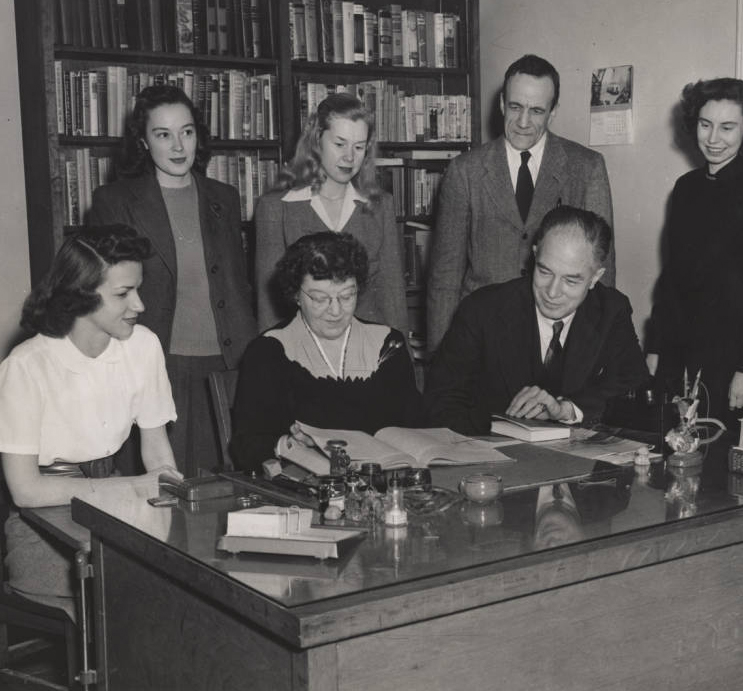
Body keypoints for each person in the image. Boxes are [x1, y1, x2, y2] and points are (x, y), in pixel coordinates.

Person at [0, 225, 179, 613]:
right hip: (40, 526)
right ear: (79, 296)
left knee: (183, 584)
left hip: (115, 506)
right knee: (123, 601)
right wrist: (132, 487)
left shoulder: (143, 347)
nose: (139, 305)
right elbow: (26, 491)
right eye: (123, 294)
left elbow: (157, 451)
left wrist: (166, 486)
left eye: (138, 289)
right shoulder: (26, 366)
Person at [88, 84, 256, 476]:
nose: (179, 146)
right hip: (159, 364)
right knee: (168, 495)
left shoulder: (225, 198)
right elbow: (103, 296)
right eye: (163, 134)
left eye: (187, 131)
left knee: (232, 489)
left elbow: (238, 285)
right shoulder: (115, 201)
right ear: (144, 142)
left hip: (228, 364)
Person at [426, 54, 615, 352]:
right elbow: (445, 275)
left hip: (557, 338)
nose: (523, 122)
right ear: (501, 103)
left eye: (537, 111)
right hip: (482, 337)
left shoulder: (586, 167)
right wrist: (442, 356)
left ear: (553, 112)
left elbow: (602, 270)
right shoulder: (465, 171)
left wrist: (593, 351)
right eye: (515, 107)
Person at [425, 206, 647, 436]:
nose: (552, 292)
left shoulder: (611, 310)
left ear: (595, 278)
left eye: (571, 281)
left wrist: (566, 409)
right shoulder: (482, 309)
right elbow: (440, 401)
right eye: (544, 271)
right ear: (534, 254)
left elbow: (634, 385)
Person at [647, 78, 743, 433]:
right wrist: (656, 346)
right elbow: (671, 279)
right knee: (669, 454)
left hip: (733, 358)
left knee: (722, 463)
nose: (713, 138)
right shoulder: (686, 188)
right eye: (705, 124)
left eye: (727, 127)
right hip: (677, 354)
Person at [231, 232, 422, 472]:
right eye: (320, 298)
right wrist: (287, 445)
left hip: (386, 478)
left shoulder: (387, 344)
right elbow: (246, 444)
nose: (335, 310)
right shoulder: (269, 351)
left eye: (347, 296)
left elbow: (413, 426)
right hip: (307, 488)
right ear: (296, 295)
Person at [254, 92, 408, 335]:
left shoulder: (381, 207)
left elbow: (393, 297)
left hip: (366, 350)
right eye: (339, 144)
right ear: (316, 140)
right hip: (302, 352)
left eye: (359, 147)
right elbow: (269, 308)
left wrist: (401, 362)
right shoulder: (276, 208)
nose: (349, 157)